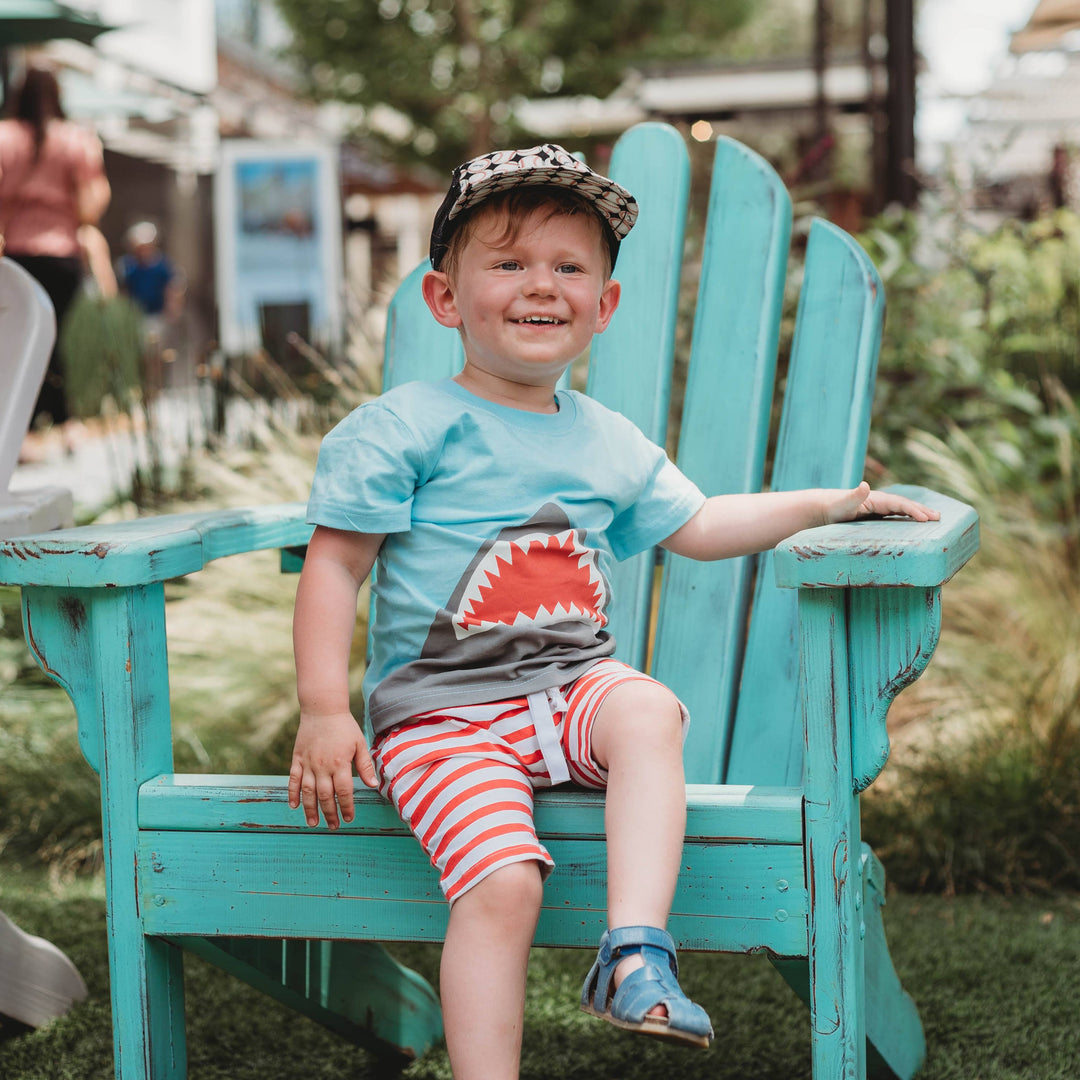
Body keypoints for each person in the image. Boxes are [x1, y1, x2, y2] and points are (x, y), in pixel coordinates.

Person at [288, 143, 939, 1078]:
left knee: (647, 707)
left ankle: (635, 953)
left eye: (568, 267)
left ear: (606, 303)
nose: (539, 286)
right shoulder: (403, 426)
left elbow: (703, 521)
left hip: (571, 693)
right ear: (444, 298)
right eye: (507, 263)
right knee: (504, 885)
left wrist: (829, 504)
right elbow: (336, 567)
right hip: (441, 716)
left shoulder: (607, 440)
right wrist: (323, 707)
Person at [0, 64, 110, 433]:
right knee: (53, 337)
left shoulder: (4, 137)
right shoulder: (76, 140)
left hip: (15, 256)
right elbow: (89, 208)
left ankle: (24, 426)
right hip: (61, 255)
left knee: (18, 339)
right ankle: (62, 421)